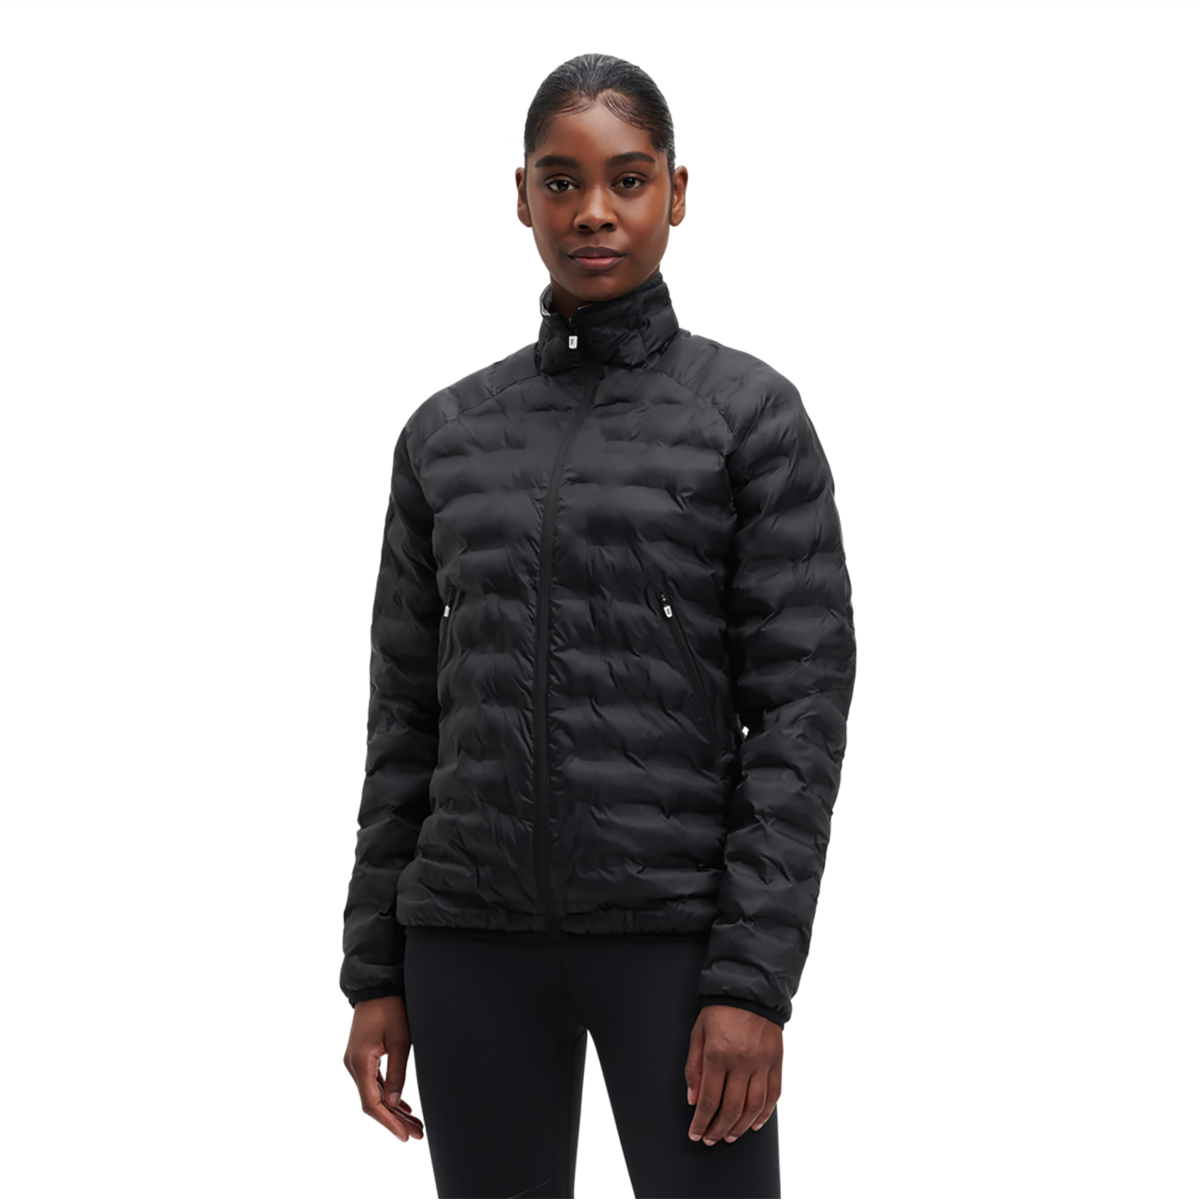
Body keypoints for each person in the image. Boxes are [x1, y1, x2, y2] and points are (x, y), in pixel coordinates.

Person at [340, 52, 857, 1199]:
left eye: (627, 179)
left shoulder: (745, 416)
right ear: (521, 195)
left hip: (674, 940)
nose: (594, 213)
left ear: (678, 189)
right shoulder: (448, 434)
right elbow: (404, 714)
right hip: (467, 937)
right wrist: (376, 971)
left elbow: (800, 711)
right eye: (561, 181)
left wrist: (753, 980)